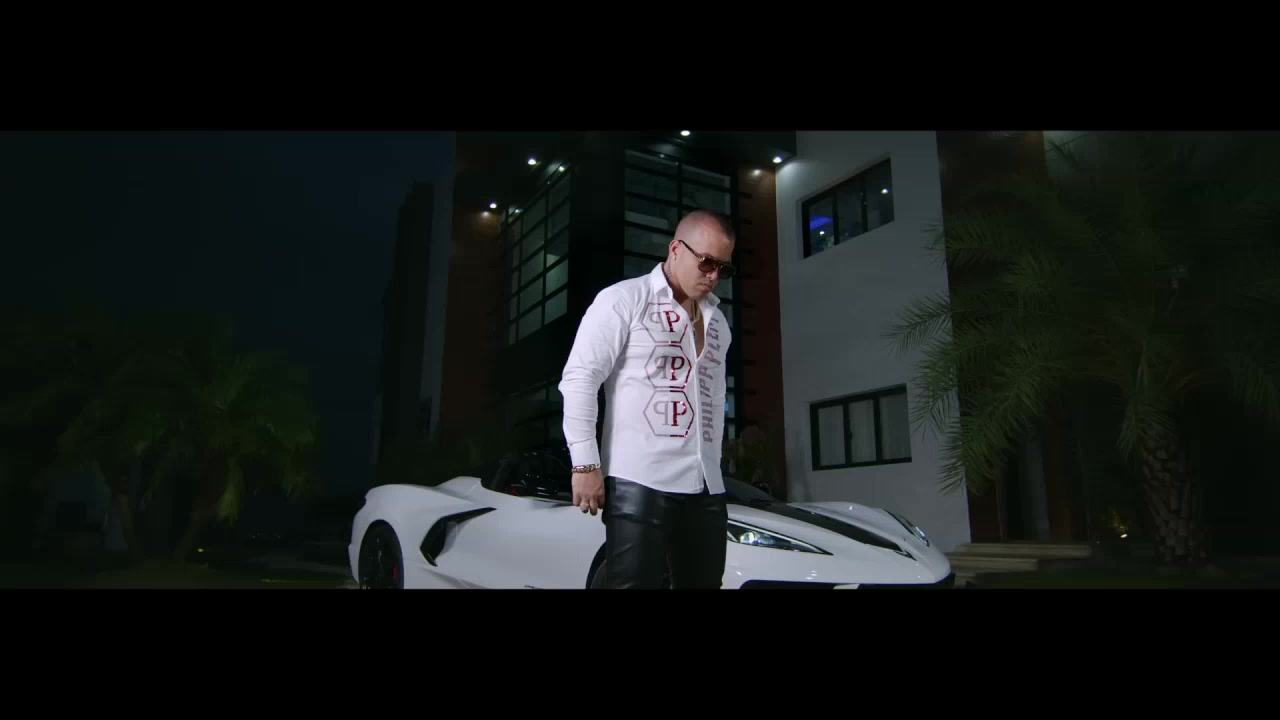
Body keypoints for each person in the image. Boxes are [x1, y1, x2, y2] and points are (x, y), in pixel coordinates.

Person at [558, 209, 736, 589]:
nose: (714, 276)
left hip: (706, 486)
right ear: (675, 249)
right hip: (640, 481)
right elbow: (580, 378)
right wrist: (585, 464)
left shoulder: (718, 323)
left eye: (724, 268)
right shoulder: (624, 299)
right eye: (707, 263)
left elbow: (712, 399)